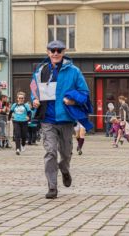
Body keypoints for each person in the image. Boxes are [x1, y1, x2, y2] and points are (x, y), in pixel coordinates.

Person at [30, 40, 90, 199]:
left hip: (66, 119)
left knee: (65, 153)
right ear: (48, 52)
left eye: (59, 50)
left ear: (64, 52)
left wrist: (73, 100)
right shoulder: (40, 71)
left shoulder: (74, 71)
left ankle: (64, 169)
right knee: (50, 152)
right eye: (52, 50)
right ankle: (52, 187)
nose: (55, 53)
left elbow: (84, 93)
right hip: (47, 119)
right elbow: (34, 91)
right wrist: (34, 100)